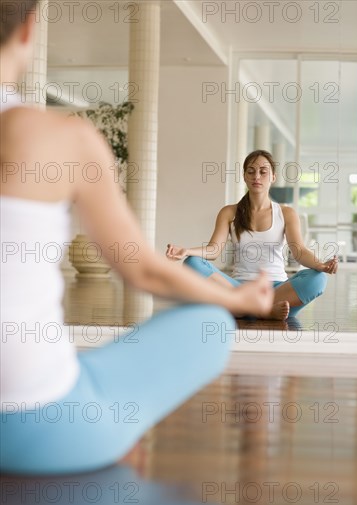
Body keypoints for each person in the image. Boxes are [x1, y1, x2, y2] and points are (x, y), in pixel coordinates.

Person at [0, 1, 274, 475]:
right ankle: (112, 428)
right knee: (209, 324)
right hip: (41, 429)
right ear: (29, 29)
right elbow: (141, 269)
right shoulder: (64, 137)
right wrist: (238, 298)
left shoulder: (281, 214)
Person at [167, 150, 338, 320]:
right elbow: (213, 250)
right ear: (244, 176)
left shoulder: (286, 213)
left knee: (317, 278)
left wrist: (321, 265)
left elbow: (299, 252)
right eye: (251, 171)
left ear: (273, 177)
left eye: (263, 172)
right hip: (238, 287)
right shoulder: (229, 212)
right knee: (192, 263)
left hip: (278, 290)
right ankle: (264, 310)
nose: (257, 176)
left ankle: (243, 307)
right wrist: (187, 251)